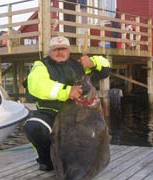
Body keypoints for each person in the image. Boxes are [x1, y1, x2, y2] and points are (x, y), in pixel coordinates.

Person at [24, 35, 110, 171]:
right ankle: (48, 161)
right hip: (50, 112)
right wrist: (67, 91)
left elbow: (106, 67)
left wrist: (93, 63)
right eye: (56, 49)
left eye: (63, 49)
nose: (59, 52)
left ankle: (77, 163)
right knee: (34, 127)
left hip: (76, 113)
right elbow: (37, 85)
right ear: (50, 51)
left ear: (69, 50)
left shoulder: (79, 65)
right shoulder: (41, 65)